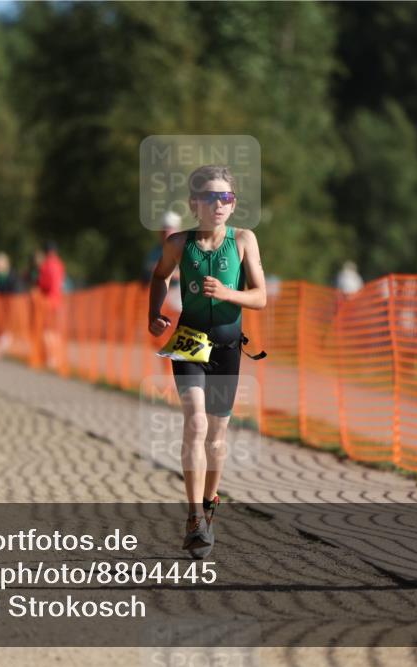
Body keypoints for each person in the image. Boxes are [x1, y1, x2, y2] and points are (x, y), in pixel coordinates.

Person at [148, 165, 267, 558]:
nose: (219, 204)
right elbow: (160, 276)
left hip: (228, 346)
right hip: (189, 343)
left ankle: (210, 501)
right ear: (194, 203)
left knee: (217, 435)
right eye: (211, 197)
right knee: (195, 422)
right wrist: (155, 313)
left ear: (233, 206)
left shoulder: (245, 240)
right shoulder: (180, 243)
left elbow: (261, 296)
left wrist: (229, 295)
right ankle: (194, 515)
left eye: (226, 198)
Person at [36, 241, 66, 370]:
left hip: (48, 301)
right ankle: (57, 357)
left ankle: (51, 358)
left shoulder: (46, 265)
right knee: (56, 330)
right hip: (59, 300)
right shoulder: (59, 264)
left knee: (47, 331)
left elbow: (44, 284)